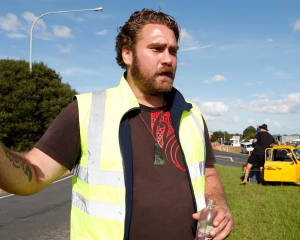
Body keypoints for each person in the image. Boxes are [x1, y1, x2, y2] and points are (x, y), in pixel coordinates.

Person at [0, 9, 233, 240]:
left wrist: (220, 204)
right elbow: (32, 174)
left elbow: (209, 173)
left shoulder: (191, 115)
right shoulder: (87, 110)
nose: (168, 59)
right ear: (127, 54)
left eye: (173, 51)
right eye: (156, 49)